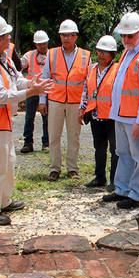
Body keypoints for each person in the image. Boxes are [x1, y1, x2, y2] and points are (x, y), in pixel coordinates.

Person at [0, 13, 52, 225]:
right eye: (6, 35)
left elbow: (17, 80)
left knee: (7, 163)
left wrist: (32, 83)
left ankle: (3, 201)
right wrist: (32, 93)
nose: (9, 39)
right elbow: (1, 95)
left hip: (1, 122)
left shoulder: (1, 57)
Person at [102, 13, 139, 209]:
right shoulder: (127, 53)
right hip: (120, 114)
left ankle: (136, 195)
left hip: (134, 117)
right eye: (123, 36)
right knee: (123, 153)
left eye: (130, 36)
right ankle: (122, 189)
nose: (126, 40)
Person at [40, 19, 91, 180]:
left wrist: (85, 105)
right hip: (56, 100)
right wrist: (42, 100)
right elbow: (45, 78)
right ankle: (54, 168)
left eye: (69, 35)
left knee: (73, 136)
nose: (66, 38)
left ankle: (72, 168)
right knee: (53, 135)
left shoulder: (85, 55)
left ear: (75, 37)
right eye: (63, 35)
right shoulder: (52, 53)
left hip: (75, 102)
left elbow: (88, 82)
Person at [79, 35, 119, 191]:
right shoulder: (92, 69)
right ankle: (100, 177)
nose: (101, 55)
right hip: (95, 115)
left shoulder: (117, 69)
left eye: (105, 52)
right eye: (99, 51)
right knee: (99, 148)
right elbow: (86, 90)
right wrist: (82, 109)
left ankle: (114, 180)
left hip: (112, 116)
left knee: (115, 150)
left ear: (112, 55)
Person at [19, 30, 50, 153]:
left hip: (46, 91)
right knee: (29, 117)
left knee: (46, 118)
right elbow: (17, 68)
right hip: (32, 91)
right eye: (39, 44)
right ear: (35, 44)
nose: (42, 46)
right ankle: (28, 143)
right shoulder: (29, 56)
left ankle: (46, 143)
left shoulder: (52, 55)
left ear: (47, 42)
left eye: (44, 43)